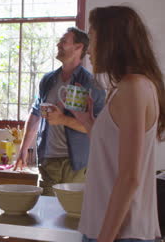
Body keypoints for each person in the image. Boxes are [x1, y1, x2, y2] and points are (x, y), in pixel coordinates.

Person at [75, 5, 163, 242]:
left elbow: (129, 177)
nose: (88, 51)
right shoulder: (122, 88)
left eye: (92, 39)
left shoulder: (134, 87)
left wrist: (104, 239)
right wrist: (89, 122)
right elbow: (113, 152)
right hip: (104, 228)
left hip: (120, 233)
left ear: (111, 41)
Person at [14, 27, 106, 196]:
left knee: (70, 214)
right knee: (46, 213)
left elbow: (99, 128)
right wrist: (23, 149)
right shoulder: (48, 80)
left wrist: (62, 119)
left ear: (78, 47)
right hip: (48, 160)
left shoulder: (89, 83)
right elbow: (35, 114)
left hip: (76, 163)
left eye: (64, 41)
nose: (58, 44)